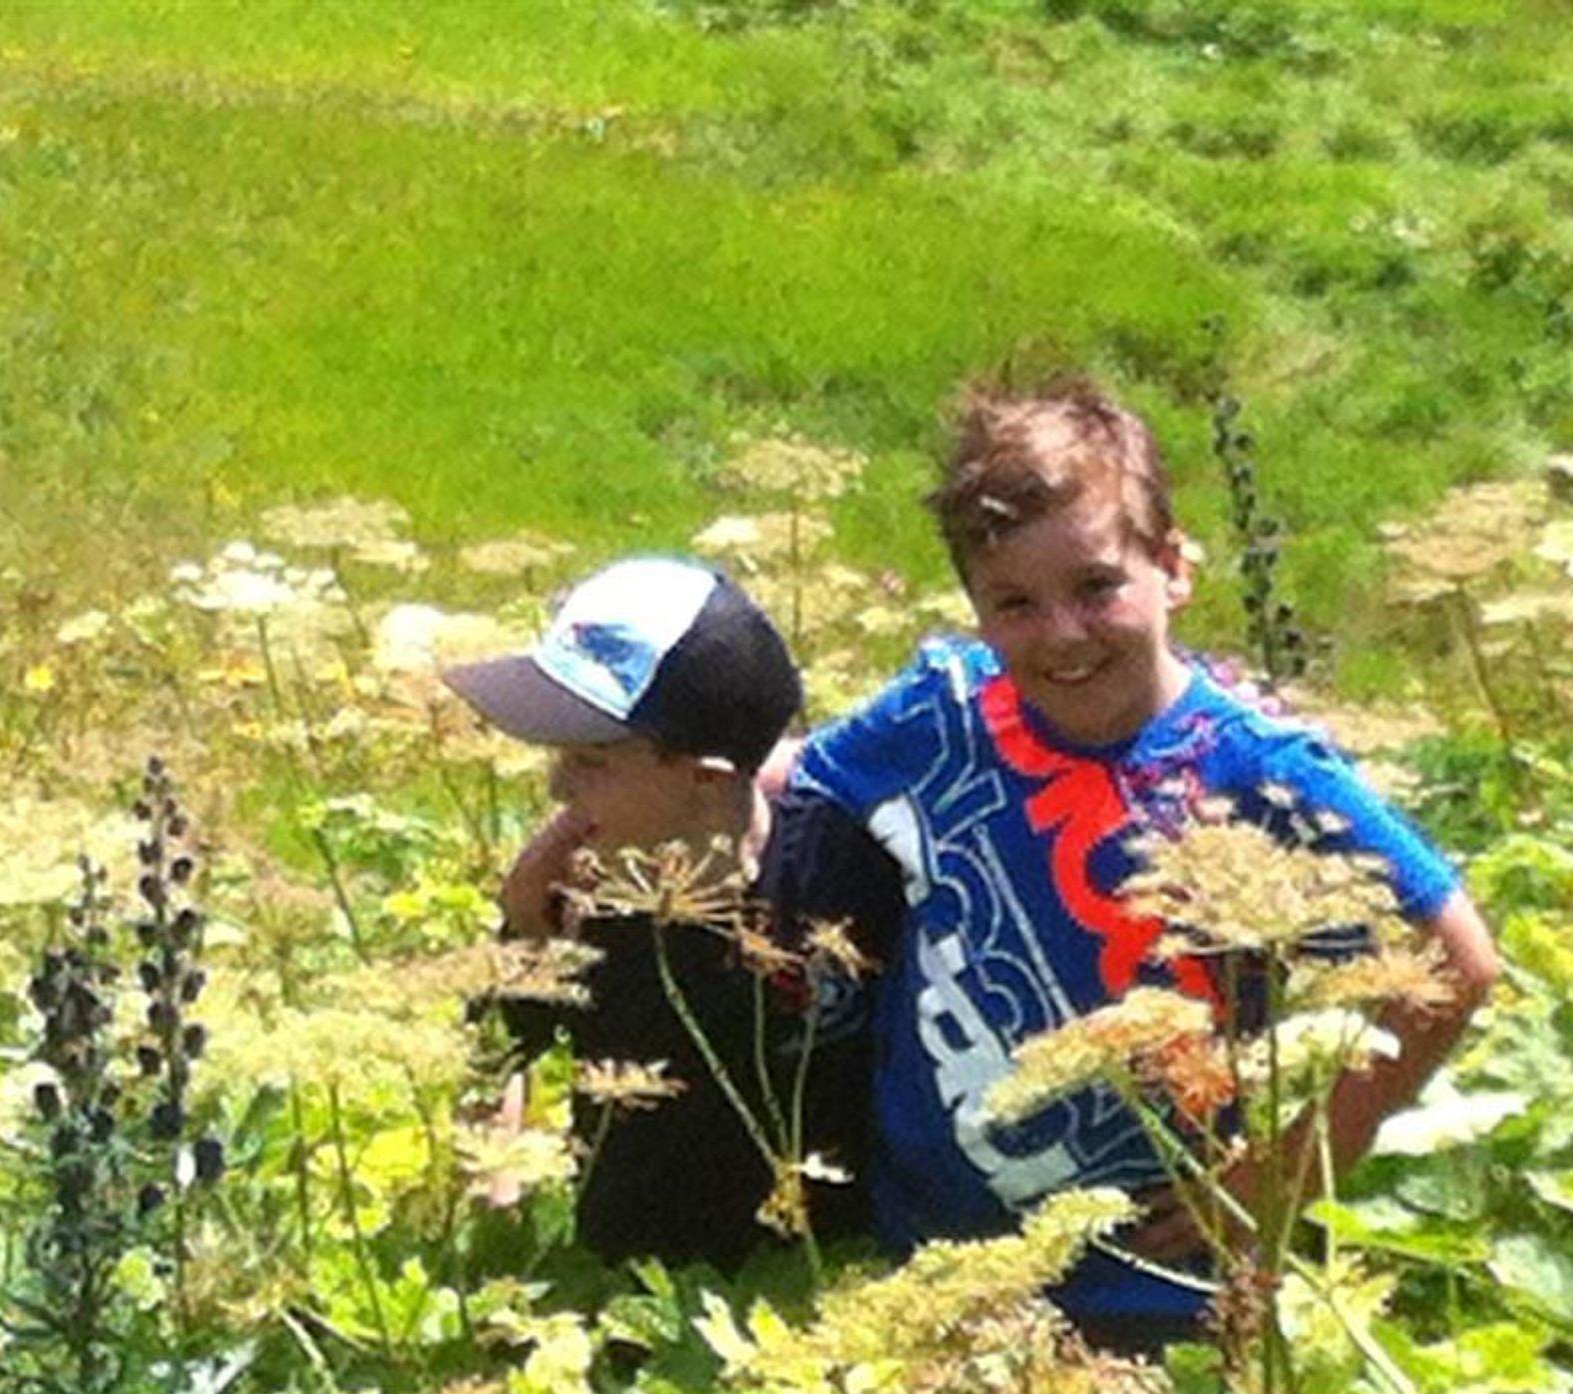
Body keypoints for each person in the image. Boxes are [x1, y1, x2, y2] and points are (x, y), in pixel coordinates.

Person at [790, 381, 1500, 1341]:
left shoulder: (1257, 773)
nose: (1063, 634)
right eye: (1015, 604)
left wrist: (1287, 1169)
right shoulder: (946, 709)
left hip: (1154, 1295)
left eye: (1096, 587)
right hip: (926, 1260)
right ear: (976, 610)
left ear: (1173, 567)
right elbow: (791, 785)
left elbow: (1459, 960)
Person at [444, 556, 900, 1271]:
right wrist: (499, 1201)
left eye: (591, 761)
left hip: (827, 1270)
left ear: (705, 779)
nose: (558, 786)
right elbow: (496, 1058)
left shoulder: (846, 862)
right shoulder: (576, 897)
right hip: (630, 1286)